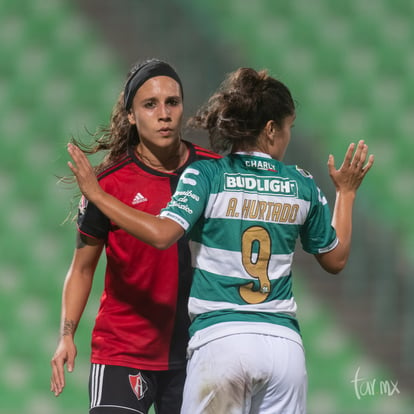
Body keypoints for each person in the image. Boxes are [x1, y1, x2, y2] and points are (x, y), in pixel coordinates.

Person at [66, 67, 374, 414]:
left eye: (172, 102)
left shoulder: (208, 174)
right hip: (284, 348)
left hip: (221, 340)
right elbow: (336, 260)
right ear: (271, 129)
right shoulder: (300, 183)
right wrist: (346, 193)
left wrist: (95, 193)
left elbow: (163, 234)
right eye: (289, 127)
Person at [50, 58, 220, 414]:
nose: (164, 114)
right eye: (150, 104)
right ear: (130, 115)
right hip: (123, 351)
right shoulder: (107, 185)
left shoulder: (213, 171)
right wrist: (67, 333)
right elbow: (82, 269)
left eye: (172, 102)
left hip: (197, 351)